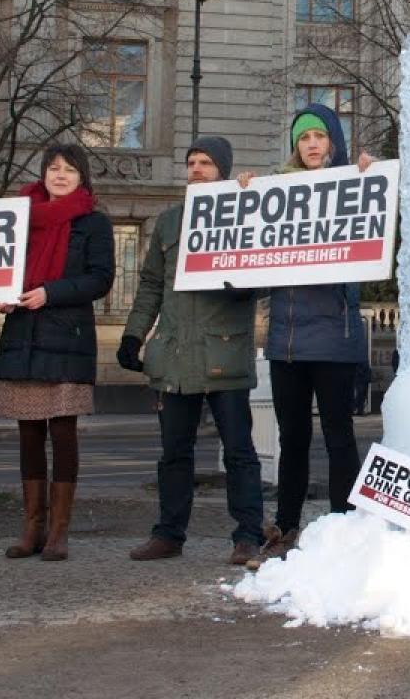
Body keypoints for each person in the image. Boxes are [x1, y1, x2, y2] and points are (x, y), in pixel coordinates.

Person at [117, 135, 266, 565]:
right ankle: (168, 534)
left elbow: (273, 267)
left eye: (205, 163)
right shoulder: (168, 222)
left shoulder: (245, 215)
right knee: (174, 453)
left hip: (225, 354)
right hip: (176, 356)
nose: (196, 169)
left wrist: (249, 285)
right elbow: (150, 285)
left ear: (223, 169)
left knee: (239, 452)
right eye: (191, 163)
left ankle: (247, 536)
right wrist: (134, 334)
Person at [238, 103, 373, 566]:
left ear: (333, 141)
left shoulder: (353, 185)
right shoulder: (277, 191)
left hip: (335, 335)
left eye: (319, 136)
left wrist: (369, 182)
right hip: (286, 340)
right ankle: (287, 526)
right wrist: (244, 201)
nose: (312, 144)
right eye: (304, 138)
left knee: (339, 437)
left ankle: (344, 526)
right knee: (291, 437)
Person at [0, 143, 115, 562]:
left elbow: (100, 279)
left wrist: (51, 292)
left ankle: (59, 531)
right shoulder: (19, 218)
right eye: (53, 168)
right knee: (28, 433)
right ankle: (32, 528)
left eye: (69, 169)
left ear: (82, 177)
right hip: (23, 334)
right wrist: (3, 295)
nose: (60, 175)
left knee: (62, 433)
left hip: (67, 335)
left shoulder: (93, 222)